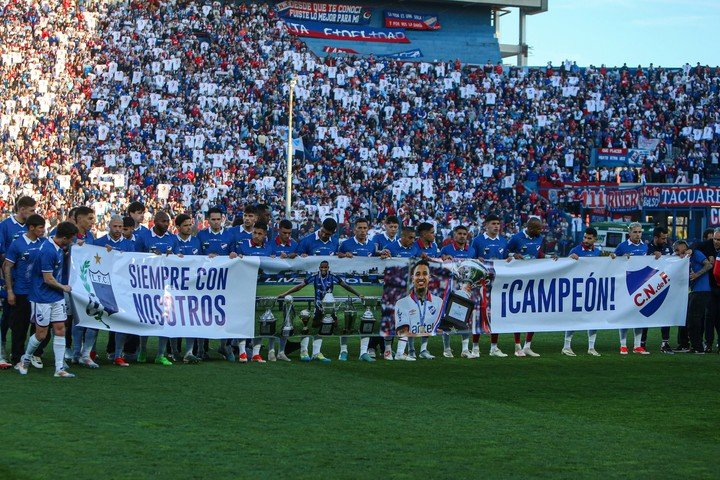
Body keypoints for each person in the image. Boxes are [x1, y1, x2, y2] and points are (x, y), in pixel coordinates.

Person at [20, 221, 78, 378]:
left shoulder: (57, 245)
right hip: (43, 297)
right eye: (72, 239)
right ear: (65, 238)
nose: (72, 242)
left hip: (56, 297)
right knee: (41, 334)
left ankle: (59, 369)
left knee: (60, 329)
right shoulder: (48, 251)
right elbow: (48, 279)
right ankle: (25, 359)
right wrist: (64, 287)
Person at [276, 260, 364, 362]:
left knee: (332, 325)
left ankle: (317, 352)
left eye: (325, 267)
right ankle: (305, 352)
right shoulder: (314, 276)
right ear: (319, 268)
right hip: (318, 305)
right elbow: (299, 286)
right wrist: (284, 293)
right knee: (313, 326)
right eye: (322, 267)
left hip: (330, 306)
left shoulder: (332, 276)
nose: (323, 269)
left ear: (328, 268)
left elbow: (346, 286)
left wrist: (358, 294)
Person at [380, 227, 433, 360]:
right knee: (390, 320)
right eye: (410, 238)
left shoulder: (414, 249)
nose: (413, 240)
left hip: (407, 291)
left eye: (414, 238)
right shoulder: (390, 247)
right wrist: (382, 256)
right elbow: (382, 265)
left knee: (406, 320)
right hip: (391, 291)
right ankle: (387, 351)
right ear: (402, 237)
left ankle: (400, 353)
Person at [134, 211, 180, 365]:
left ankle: (160, 354)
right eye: (163, 221)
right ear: (155, 221)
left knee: (164, 318)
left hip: (166, 285)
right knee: (146, 318)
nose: (166, 224)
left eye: (168, 221)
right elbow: (134, 258)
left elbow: (180, 258)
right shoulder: (143, 237)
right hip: (147, 285)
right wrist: (151, 257)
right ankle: (142, 349)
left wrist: (172, 256)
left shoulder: (172, 238)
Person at [4, 214, 46, 373]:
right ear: (31, 228)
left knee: (41, 326)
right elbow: (7, 267)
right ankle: (17, 357)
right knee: (19, 327)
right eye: (41, 227)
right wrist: (10, 291)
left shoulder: (44, 243)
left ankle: (34, 355)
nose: (43, 230)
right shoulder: (17, 244)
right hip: (22, 292)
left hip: (40, 292)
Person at [0, 195, 37, 368]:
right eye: (31, 210)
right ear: (21, 209)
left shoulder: (31, 228)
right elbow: (2, 254)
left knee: (21, 319)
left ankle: (19, 354)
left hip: (26, 282)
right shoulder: (6, 226)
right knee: (7, 316)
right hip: (9, 279)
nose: (33, 213)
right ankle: (1, 352)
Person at [95, 215, 136, 367]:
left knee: (120, 322)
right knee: (96, 319)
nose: (118, 230)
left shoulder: (129, 245)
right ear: (109, 226)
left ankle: (118, 355)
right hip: (102, 287)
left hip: (121, 288)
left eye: (120, 227)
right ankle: (90, 352)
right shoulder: (98, 243)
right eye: (115, 227)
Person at [614, 222, 662, 354]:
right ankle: (623, 345)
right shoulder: (622, 246)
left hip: (641, 284)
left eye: (639, 232)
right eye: (635, 232)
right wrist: (620, 259)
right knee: (625, 316)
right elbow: (612, 262)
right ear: (629, 233)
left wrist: (656, 256)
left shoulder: (644, 246)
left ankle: (637, 345)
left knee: (639, 315)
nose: (637, 234)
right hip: (625, 284)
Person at [337, 218, 374, 361]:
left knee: (367, 318)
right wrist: (343, 255)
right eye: (360, 228)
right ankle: (343, 350)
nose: (363, 231)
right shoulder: (346, 244)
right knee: (346, 318)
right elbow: (337, 257)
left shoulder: (371, 245)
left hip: (367, 288)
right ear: (354, 229)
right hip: (349, 286)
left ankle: (363, 352)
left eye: (365, 228)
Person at [507, 217, 545, 357]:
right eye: (537, 228)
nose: (540, 231)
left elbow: (539, 254)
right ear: (529, 227)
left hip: (534, 280)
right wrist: (514, 255)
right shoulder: (517, 238)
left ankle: (527, 345)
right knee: (518, 312)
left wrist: (549, 257)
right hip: (518, 280)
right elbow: (505, 252)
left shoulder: (540, 238)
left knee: (533, 313)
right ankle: (517, 346)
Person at [471, 214, 508, 357]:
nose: (496, 226)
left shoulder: (503, 241)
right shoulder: (478, 241)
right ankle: (475, 348)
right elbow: (472, 259)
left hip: (497, 284)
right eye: (493, 223)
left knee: (495, 315)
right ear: (486, 225)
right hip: (480, 284)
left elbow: (505, 260)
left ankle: (494, 347)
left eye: (498, 223)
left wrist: (510, 259)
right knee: (478, 314)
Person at [393, 260, 444, 362]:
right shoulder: (402, 303)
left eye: (425, 274)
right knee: (410, 322)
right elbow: (402, 330)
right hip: (409, 327)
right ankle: (404, 351)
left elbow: (436, 326)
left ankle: (423, 350)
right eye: (417, 274)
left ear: (429, 278)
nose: (421, 277)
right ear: (412, 279)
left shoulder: (438, 301)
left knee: (427, 320)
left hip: (426, 328)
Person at [563, 227, 602, 357]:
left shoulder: (598, 252)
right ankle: (566, 346)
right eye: (585, 237)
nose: (586, 240)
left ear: (595, 239)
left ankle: (591, 347)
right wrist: (569, 258)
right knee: (573, 318)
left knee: (593, 319)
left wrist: (612, 258)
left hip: (592, 290)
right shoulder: (575, 251)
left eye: (589, 238)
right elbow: (565, 267)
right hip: (577, 290)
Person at [239, 222, 275, 362]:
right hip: (244, 287)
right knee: (243, 319)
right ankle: (242, 351)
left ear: (265, 235)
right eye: (255, 233)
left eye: (260, 234)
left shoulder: (269, 248)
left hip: (262, 288)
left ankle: (256, 353)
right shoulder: (243, 246)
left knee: (261, 320)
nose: (257, 236)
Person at [440, 225, 477, 359]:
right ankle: (447, 349)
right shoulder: (446, 249)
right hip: (450, 289)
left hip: (466, 291)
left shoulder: (472, 251)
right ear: (454, 235)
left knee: (466, 318)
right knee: (448, 318)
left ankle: (465, 349)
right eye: (459, 233)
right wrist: (443, 258)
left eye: (464, 234)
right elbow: (439, 265)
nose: (462, 236)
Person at [69, 206, 98, 368]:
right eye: (89, 218)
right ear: (79, 218)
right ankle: (75, 353)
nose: (92, 222)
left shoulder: (91, 237)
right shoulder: (69, 234)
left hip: (88, 284)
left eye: (93, 219)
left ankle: (86, 354)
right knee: (76, 320)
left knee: (92, 317)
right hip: (70, 283)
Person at [174, 213, 203, 364]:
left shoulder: (196, 242)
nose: (189, 227)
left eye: (190, 224)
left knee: (191, 319)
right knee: (174, 319)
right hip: (174, 287)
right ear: (178, 227)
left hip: (193, 288)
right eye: (185, 225)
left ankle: (189, 351)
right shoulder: (173, 241)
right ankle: (173, 351)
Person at [676, 240, 712, 354]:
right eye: (676, 251)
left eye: (678, 249)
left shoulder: (696, 253)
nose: (677, 253)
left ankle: (698, 347)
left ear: (684, 247)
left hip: (702, 290)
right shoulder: (686, 259)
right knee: (690, 319)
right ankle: (693, 346)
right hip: (694, 291)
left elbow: (709, 265)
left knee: (694, 320)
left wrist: (697, 274)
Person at [644, 226, 674, 353]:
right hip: (648, 286)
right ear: (655, 238)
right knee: (645, 314)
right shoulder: (647, 248)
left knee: (665, 314)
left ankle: (665, 343)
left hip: (664, 285)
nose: (665, 240)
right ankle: (641, 343)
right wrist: (650, 256)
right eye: (663, 238)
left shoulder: (668, 247)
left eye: (666, 238)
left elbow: (673, 261)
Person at [693, 227, 720, 352]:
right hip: (711, 287)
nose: (716, 242)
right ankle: (708, 344)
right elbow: (695, 245)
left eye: (719, 240)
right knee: (709, 316)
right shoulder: (707, 245)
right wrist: (688, 249)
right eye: (715, 239)